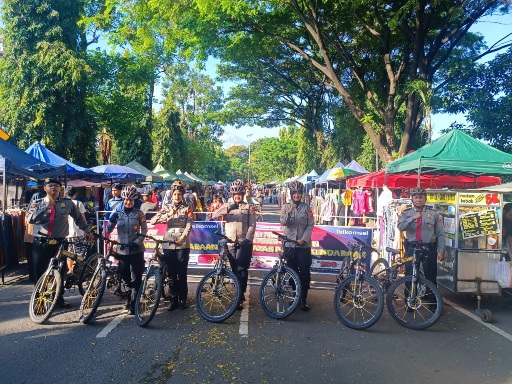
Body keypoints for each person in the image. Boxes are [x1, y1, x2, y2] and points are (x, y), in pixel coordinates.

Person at [27, 178, 91, 307]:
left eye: (57, 186)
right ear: (45, 188)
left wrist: (87, 231)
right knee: (40, 272)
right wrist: (45, 207)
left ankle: (58, 298)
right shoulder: (37, 202)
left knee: (60, 271)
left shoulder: (67, 203)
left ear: (60, 189)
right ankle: (39, 300)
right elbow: (30, 219)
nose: (54, 188)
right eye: (51, 186)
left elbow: (79, 218)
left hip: (60, 243)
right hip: (41, 242)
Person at [211, 179, 256, 310]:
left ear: (242, 194)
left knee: (242, 270)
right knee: (234, 270)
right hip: (230, 243)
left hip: (243, 242)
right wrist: (229, 208)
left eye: (240, 194)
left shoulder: (248, 208)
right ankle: (236, 293)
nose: (237, 196)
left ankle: (240, 296)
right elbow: (215, 214)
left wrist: (248, 239)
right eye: (235, 194)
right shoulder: (227, 206)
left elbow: (252, 224)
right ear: (232, 195)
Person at [150, 180, 194, 310]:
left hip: (183, 244)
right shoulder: (167, 207)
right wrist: (164, 215)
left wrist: (183, 237)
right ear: (171, 195)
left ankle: (183, 300)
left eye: (179, 194)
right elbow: (152, 221)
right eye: (175, 194)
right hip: (168, 244)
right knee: (171, 274)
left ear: (182, 195)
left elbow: (189, 224)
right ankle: (173, 300)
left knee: (182, 272)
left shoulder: (188, 208)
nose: (177, 197)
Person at [106, 185, 147, 315]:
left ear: (134, 201)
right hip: (122, 250)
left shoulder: (139, 214)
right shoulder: (117, 211)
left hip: (136, 250)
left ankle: (135, 303)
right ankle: (129, 298)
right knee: (124, 276)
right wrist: (110, 223)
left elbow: (144, 230)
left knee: (136, 276)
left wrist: (137, 242)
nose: (128, 202)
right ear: (123, 199)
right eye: (126, 200)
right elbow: (107, 229)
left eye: (131, 200)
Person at [396, 187, 445, 294]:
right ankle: (409, 299)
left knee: (431, 275)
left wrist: (441, 251)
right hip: (411, 247)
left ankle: (432, 301)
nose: (418, 200)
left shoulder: (433, 214)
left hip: (429, 247)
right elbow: (400, 227)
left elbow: (440, 233)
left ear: (425, 199)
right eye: (416, 197)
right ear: (412, 199)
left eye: (421, 197)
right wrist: (412, 218)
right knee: (409, 275)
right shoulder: (406, 213)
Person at [279, 180, 314, 311]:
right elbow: (283, 222)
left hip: (303, 246)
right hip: (290, 245)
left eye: (299, 193)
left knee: (304, 273)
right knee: (292, 272)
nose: (297, 196)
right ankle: (295, 296)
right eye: (295, 193)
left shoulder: (307, 208)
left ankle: (303, 299)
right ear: (291, 194)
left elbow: (310, 225)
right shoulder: (285, 207)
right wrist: (290, 211)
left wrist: (303, 239)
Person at [64, 186, 87, 277]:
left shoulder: (63, 203)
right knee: (81, 252)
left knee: (70, 252)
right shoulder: (78, 203)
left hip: (67, 233)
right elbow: (83, 218)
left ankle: (70, 271)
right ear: (75, 194)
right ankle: (75, 270)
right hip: (79, 232)